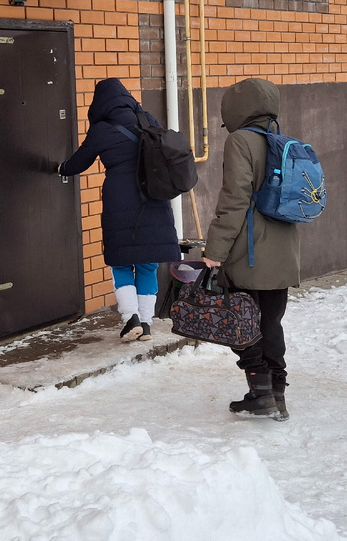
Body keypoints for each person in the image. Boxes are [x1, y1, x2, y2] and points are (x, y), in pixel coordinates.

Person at [202, 78, 298, 420]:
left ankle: (261, 394)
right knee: (270, 322)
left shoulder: (240, 141)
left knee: (241, 322)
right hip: (284, 250)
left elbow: (234, 199)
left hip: (250, 251)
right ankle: (276, 394)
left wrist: (215, 250)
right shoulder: (279, 139)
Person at [57, 78, 181, 341]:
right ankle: (146, 323)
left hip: (119, 199)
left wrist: (61, 168)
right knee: (147, 263)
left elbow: (79, 162)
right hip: (153, 196)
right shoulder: (147, 119)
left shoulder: (101, 129)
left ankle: (130, 319)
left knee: (121, 261)